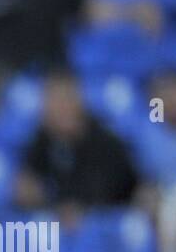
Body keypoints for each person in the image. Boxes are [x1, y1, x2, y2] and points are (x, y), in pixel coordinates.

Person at [15, 70, 144, 222]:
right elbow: (27, 185)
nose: (61, 107)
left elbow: (112, 192)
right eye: (54, 100)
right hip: (59, 225)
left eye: (66, 99)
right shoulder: (42, 140)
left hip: (109, 222)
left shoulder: (106, 142)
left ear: (79, 102)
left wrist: (74, 208)